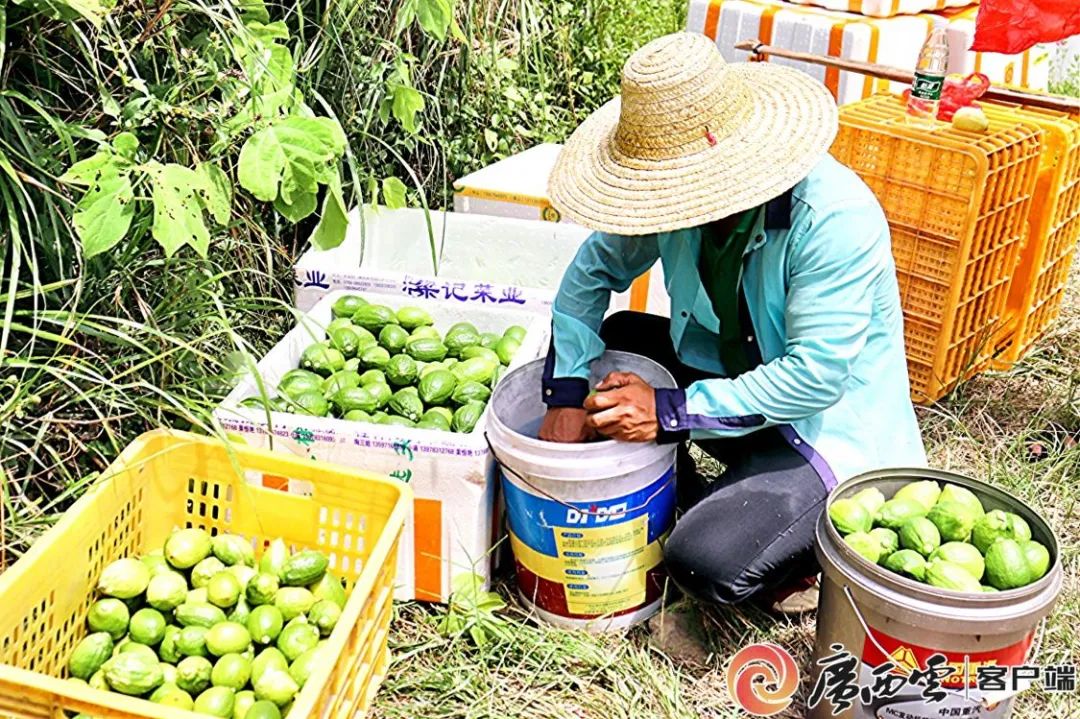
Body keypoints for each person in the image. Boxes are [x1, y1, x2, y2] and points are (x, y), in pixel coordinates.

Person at [538, 32, 927, 612]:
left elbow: (816, 376)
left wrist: (669, 413)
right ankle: (709, 492)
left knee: (707, 562)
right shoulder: (667, 195)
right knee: (616, 346)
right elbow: (590, 274)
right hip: (730, 377)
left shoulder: (833, 218)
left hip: (820, 427)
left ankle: (793, 543)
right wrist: (566, 392)